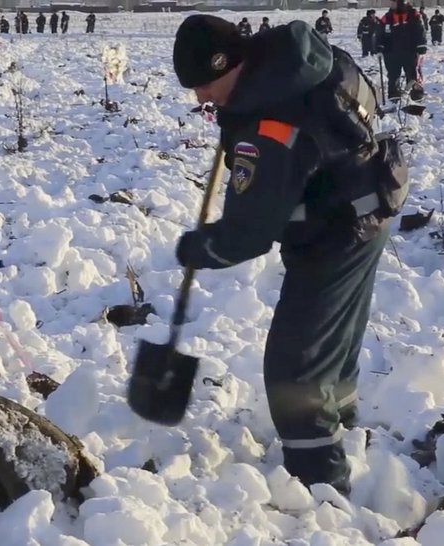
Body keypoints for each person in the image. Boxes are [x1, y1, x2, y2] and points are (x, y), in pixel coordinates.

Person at [170, 14, 407, 495]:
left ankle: (320, 481)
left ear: (230, 62)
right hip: (368, 203)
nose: (201, 98)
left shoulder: (268, 124)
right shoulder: (295, 64)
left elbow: (249, 232)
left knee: (294, 366)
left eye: (205, 84)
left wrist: (199, 247)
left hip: (335, 231)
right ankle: (342, 419)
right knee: (332, 337)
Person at [376, 0, 427, 103]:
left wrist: (421, 45)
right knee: (393, 74)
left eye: (393, 3)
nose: (391, 5)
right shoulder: (387, 17)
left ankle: (415, 94)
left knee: (412, 73)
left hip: (410, 51)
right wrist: (379, 46)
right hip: (391, 52)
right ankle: (394, 95)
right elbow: (380, 33)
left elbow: (420, 31)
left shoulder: (413, 15)